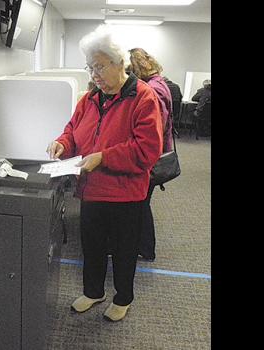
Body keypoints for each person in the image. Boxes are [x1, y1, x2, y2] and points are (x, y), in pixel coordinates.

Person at [46, 26, 162, 322]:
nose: (94, 73)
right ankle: (93, 291)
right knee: (92, 247)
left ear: (118, 62)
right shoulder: (90, 98)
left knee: (124, 252)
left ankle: (123, 298)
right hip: (92, 190)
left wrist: (103, 157)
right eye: (90, 66)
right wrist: (62, 142)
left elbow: (147, 150)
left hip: (125, 194)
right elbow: (73, 130)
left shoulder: (143, 98)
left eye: (99, 66)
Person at [128, 47, 173, 261]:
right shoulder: (160, 83)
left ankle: (145, 249)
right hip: (157, 154)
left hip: (151, 159)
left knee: (141, 204)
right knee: (142, 204)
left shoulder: (151, 90)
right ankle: (144, 247)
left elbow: (154, 128)